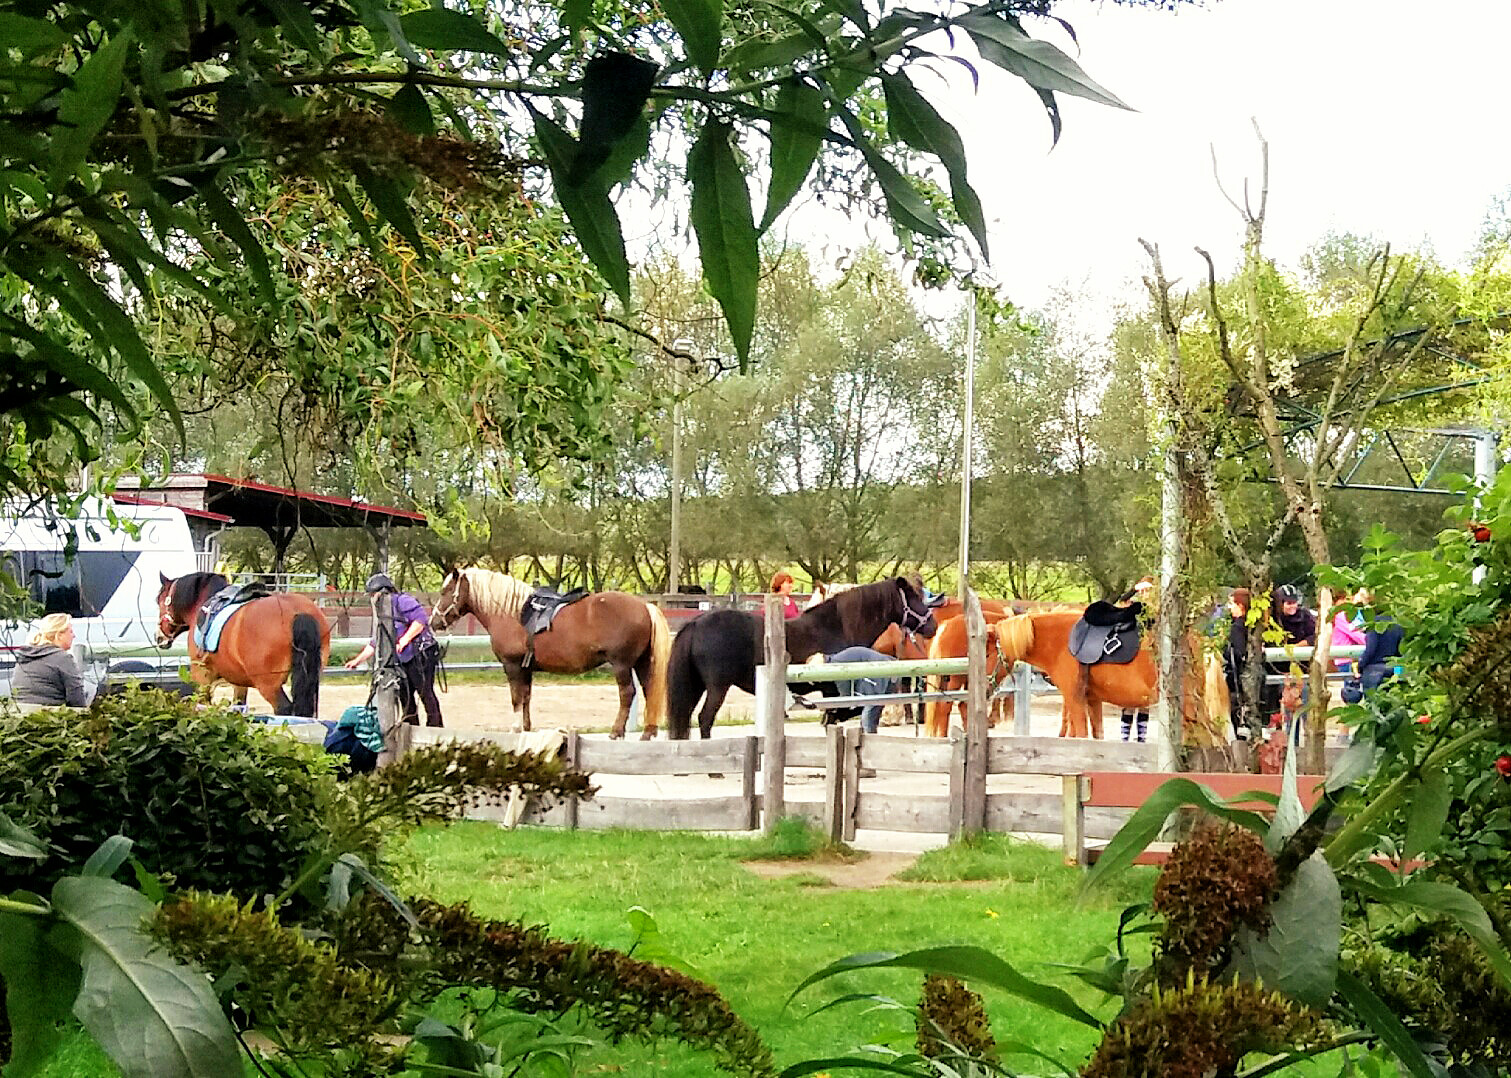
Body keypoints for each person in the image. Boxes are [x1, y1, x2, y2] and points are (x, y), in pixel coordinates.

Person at [344, 572, 443, 727]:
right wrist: (357, 660)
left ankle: (435, 727)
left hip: (421, 654)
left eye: (373, 594)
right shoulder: (382, 613)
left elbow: (420, 620)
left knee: (425, 692)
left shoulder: (403, 601)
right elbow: (376, 641)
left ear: (383, 591)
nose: (372, 598)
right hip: (402, 658)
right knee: (404, 695)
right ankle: (411, 727)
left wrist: (405, 639)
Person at [11, 612, 88, 708]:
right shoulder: (63, 658)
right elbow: (76, 699)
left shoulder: (24, 656)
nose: (74, 636)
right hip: (47, 714)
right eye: (70, 631)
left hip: (19, 712)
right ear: (59, 635)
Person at [1116, 576, 1154, 742]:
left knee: (1145, 700)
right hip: (1132, 651)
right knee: (1129, 700)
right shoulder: (1134, 606)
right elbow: (1122, 600)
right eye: (1143, 590)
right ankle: (1125, 738)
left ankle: (1141, 738)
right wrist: (1134, 589)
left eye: (1148, 590)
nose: (1145, 593)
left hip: (1147, 653)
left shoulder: (1155, 609)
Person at [1222, 587, 1252, 739]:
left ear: (1240, 606)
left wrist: (1225, 652)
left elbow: (1237, 653)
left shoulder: (1237, 627)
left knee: (1236, 710)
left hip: (1238, 678)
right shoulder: (1254, 625)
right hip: (1250, 677)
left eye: (1231, 604)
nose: (1229, 607)